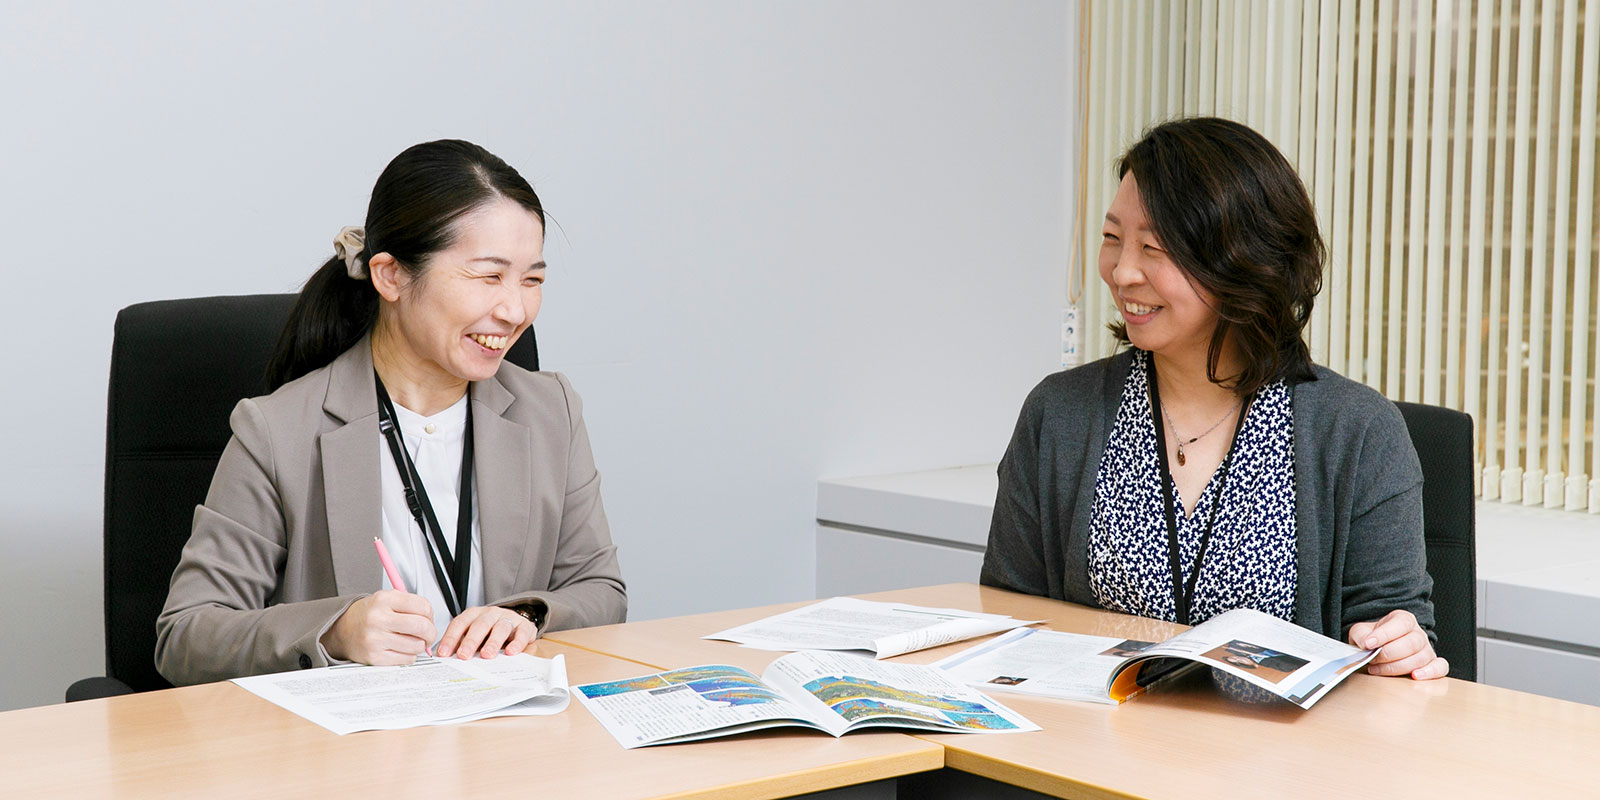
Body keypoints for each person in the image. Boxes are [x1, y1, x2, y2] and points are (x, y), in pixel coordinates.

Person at [980, 117, 1447, 680]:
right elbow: (1010, 620)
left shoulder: (1358, 430)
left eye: (1153, 247)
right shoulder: (1059, 413)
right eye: (1112, 239)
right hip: (1095, 750)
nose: (1122, 270)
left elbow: (1390, 636)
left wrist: (1399, 648)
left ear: (1240, 263)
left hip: (1278, 760)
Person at [156, 140, 626, 685]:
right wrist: (334, 631)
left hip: (505, 743)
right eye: (489, 276)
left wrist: (528, 616)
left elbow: (601, 592)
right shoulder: (276, 430)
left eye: (533, 280)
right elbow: (186, 636)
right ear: (392, 276)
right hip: (353, 756)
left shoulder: (552, 412)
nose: (515, 310)